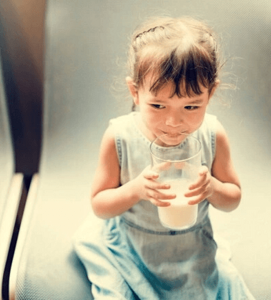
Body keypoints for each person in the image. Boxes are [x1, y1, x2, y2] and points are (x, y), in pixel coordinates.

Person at [73, 16, 255, 299]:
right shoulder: (119, 137)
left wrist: (213, 188)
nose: (173, 121)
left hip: (192, 249)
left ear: (211, 94)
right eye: (158, 105)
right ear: (135, 92)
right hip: (133, 250)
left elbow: (233, 197)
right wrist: (135, 189)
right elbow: (100, 206)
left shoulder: (213, 135)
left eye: (192, 106)